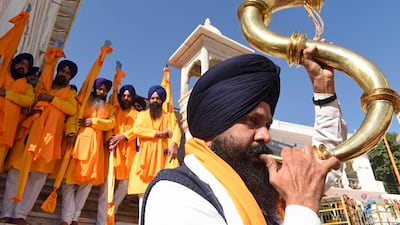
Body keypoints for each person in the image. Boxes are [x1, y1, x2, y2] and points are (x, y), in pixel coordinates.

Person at [141, 44, 347, 225]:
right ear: (215, 127)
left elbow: (324, 164)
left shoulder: (263, 187)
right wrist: (302, 209)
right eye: (253, 121)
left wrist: (323, 89)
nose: (265, 135)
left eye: (267, 124)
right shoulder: (174, 193)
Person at [0, 57, 78, 225]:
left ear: (70, 78)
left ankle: (20, 215)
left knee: (37, 178)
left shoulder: (70, 93)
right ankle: (6, 213)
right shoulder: (43, 85)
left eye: (67, 73)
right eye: (62, 71)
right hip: (31, 134)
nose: (63, 74)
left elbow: (71, 109)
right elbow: (30, 100)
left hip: (50, 139)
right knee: (16, 173)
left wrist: (52, 100)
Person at [61, 77, 115, 225]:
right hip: (78, 143)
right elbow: (73, 118)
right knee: (68, 182)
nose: (102, 92)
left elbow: (111, 123)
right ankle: (66, 218)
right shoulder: (84, 101)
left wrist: (93, 122)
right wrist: (70, 133)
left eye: (105, 90)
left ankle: (75, 218)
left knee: (87, 184)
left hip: (96, 149)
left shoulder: (109, 107)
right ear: (94, 89)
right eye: (100, 89)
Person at [128, 85, 181, 218]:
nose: (155, 100)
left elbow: (176, 130)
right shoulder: (142, 115)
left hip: (161, 160)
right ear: (149, 100)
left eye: (157, 98)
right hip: (144, 161)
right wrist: (157, 133)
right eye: (152, 98)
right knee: (143, 198)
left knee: (160, 198)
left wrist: (174, 144)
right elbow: (136, 130)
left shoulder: (168, 116)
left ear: (162, 100)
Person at [96, 82, 142, 225]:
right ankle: (101, 221)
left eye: (129, 96)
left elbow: (138, 130)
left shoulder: (138, 114)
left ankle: (110, 215)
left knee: (125, 184)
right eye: (124, 95)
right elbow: (109, 124)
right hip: (113, 152)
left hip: (129, 153)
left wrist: (123, 136)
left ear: (133, 98)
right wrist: (109, 138)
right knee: (106, 189)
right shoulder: (114, 109)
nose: (126, 98)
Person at [0, 53, 35, 172]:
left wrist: (7, 94)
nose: (23, 67)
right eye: (21, 63)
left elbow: (29, 100)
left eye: (26, 66)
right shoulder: (3, 74)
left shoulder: (27, 86)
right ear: (15, 63)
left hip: (6, 131)